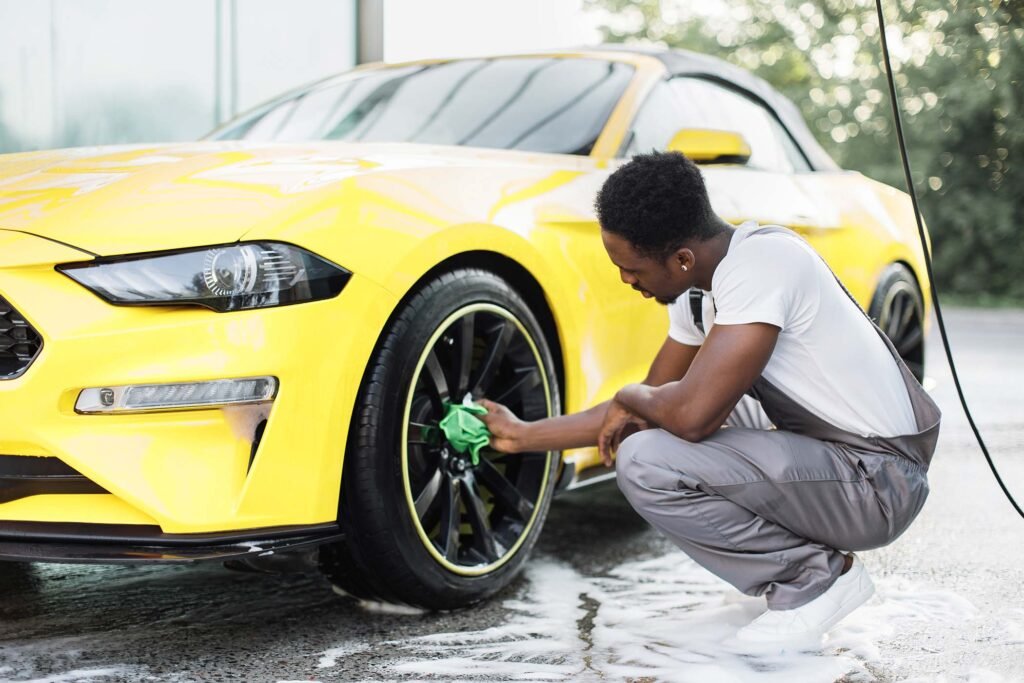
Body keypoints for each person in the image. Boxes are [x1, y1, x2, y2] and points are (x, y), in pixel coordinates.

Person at [479, 151, 940, 647]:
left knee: (646, 458)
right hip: (843, 465)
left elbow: (687, 417)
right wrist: (520, 435)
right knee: (660, 421)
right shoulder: (700, 293)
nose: (626, 280)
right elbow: (640, 412)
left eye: (631, 268)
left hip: (880, 482)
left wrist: (631, 394)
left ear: (682, 259)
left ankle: (814, 581)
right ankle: (800, 570)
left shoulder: (763, 264)